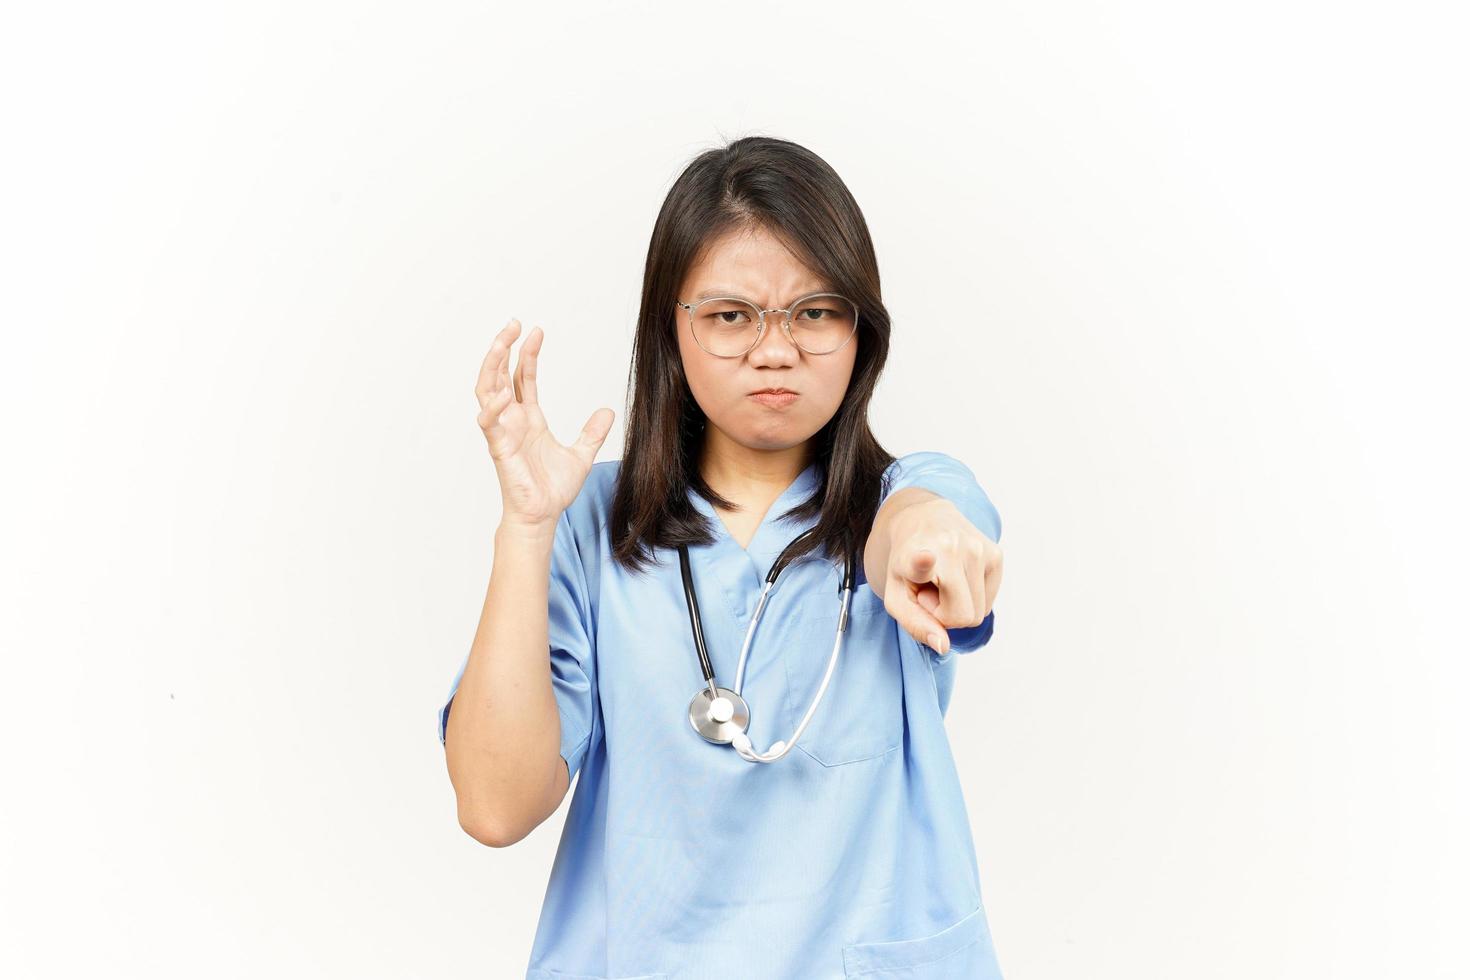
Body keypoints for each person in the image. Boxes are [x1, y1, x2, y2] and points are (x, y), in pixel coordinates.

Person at [439, 136, 1007, 979]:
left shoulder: (905, 499)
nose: (774, 350)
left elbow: (926, 526)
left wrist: (923, 534)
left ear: (861, 330)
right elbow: (494, 808)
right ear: (672, 331)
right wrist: (526, 528)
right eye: (731, 315)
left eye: (814, 311)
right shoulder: (587, 522)